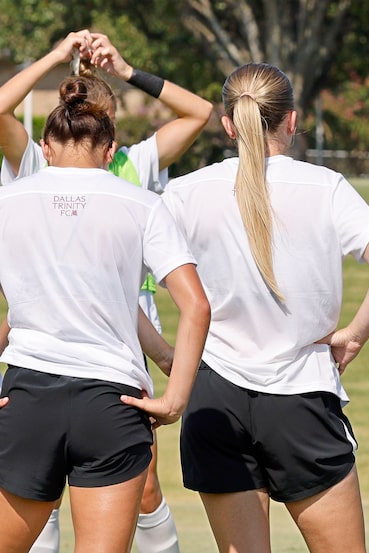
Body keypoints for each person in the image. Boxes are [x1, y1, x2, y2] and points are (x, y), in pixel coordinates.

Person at [162, 62, 369, 553]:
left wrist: (171, 362)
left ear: (229, 124)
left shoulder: (183, 193)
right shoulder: (325, 187)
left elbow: (127, 282)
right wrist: (356, 334)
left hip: (215, 397)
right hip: (301, 395)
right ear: (291, 121)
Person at [0, 30, 213, 553]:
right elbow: (197, 305)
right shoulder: (140, 201)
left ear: (44, 147)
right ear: (111, 147)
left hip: (29, 390)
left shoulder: (11, 198)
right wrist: (176, 398)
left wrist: (54, 55)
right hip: (113, 397)